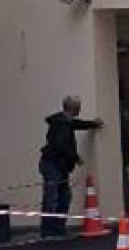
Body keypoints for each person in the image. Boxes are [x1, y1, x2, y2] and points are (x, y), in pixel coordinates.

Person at [39, 96, 103, 238]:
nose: (80, 109)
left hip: (55, 164)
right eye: (79, 107)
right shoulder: (62, 124)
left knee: (60, 196)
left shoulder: (63, 122)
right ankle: (51, 229)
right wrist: (76, 158)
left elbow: (77, 124)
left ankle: (55, 228)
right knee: (55, 197)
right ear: (74, 108)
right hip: (54, 164)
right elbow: (61, 146)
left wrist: (92, 124)